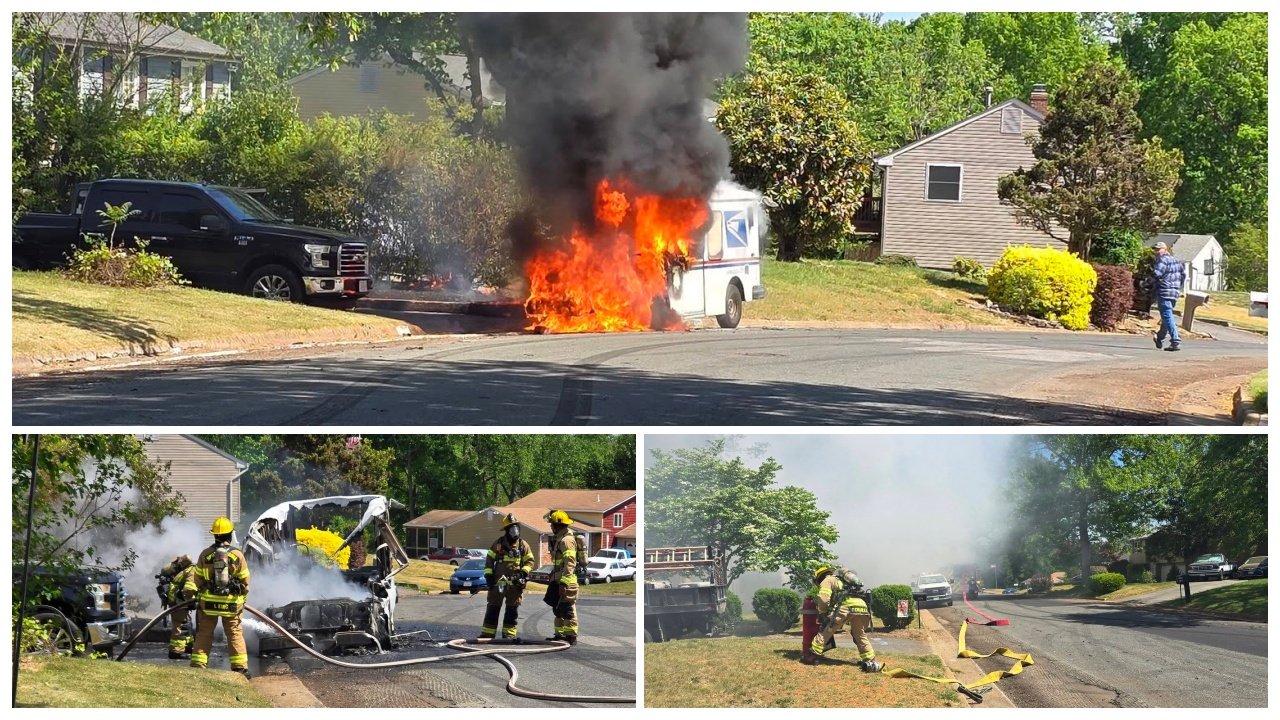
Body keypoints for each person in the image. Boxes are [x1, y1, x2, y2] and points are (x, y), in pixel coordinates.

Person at [186, 517, 251, 678]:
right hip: (231, 603)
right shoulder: (237, 555)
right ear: (230, 535)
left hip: (208, 603)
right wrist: (242, 600)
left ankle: (198, 665)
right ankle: (239, 668)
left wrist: (198, 596)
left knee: (204, 633)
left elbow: (197, 579)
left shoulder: (205, 554)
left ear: (214, 535)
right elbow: (245, 582)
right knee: (234, 633)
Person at [808, 565, 882, 672]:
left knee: (827, 629)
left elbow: (824, 600)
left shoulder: (827, 580)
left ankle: (812, 655)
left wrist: (823, 611)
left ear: (819, 577)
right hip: (861, 606)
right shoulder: (843, 581)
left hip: (846, 606)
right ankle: (871, 660)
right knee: (859, 634)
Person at [479, 513, 536, 640]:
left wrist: (523, 572)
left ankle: (509, 635)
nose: (515, 531)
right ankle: (488, 633)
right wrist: (488, 576)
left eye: (516, 528)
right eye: (511, 528)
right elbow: (489, 560)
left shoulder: (523, 545)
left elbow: (530, 561)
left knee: (512, 609)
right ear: (506, 530)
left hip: (515, 584)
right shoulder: (498, 544)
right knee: (493, 607)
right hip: (499, 583)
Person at [543, 510, 580, 645]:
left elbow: (570, 562)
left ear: (558, 525)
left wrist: (564, 583)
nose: (551, 527)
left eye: (552, 524)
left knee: (567, 609)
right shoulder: (560, 538)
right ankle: (559, 635)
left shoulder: (567, 540)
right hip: (558, 579)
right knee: (557, 609)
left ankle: (571, 636)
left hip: (566, 581)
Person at [158, 554, 196, 659]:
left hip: (176, 602)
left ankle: (189, 646)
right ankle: (175, 651)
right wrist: (188, 599)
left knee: (186, 623)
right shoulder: (190, 571)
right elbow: (189, 589)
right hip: (180, 603)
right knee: (180, 625)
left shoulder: (182, 571)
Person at [1152, 241, 1187, 351]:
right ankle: (1160, 337)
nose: (1156, 252)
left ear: (1165, 249)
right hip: (1174, 292)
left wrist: (1145, 284)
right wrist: (1178, 287)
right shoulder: (1177, 261)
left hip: (1164, 291)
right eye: (1155, 250)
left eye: (1158, 249)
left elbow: (1156, 274)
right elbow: (1183, 276)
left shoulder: (1163, 260)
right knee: (1166, 316)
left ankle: (1175, 341)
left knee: (1167, 315)